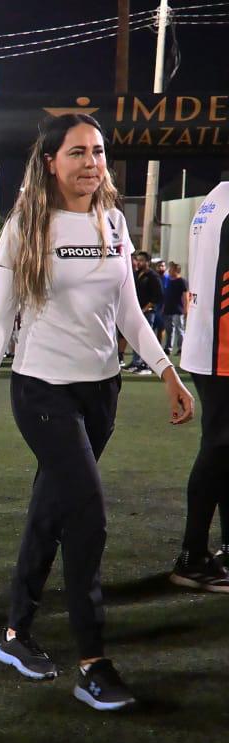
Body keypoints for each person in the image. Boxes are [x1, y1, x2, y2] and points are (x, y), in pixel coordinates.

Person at [0, 113, 193, 712]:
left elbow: (127, 311)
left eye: (97, 152)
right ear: (50, 162)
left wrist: (166, 371)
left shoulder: (112, 220)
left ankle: (15, 635)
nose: (91, 163)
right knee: (86, 512)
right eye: (77, 153)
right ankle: (93, 662)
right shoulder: (25, 227)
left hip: (102, 392)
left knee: (51, 510)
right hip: (42, 392)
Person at [169, 181, 229, 592]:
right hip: (221, 347)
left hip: (208, 343)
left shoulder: (215, 196)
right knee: (219, 447)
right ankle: (192, 555)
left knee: (223, 448)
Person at [126, 251, 163, 374]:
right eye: (138, 260)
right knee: (136, 338)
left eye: (141, 260)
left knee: (146, 339)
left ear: (147, 262)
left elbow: (157, 296)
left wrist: (145, 308)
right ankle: (136, 362)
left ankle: (147, 365)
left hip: (148, 312)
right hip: (137, 312)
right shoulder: (136, 274)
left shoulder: (153, 276)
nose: (138, 262)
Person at [162, 261, 187, 356]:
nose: (169, 270)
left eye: (171, 268)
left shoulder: (182, 281)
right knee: (169, 330)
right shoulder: (169, 281)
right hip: (168, 309)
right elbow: (166, 295)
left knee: (179, 329)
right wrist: (164, 307)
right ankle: (168, 347)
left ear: (176, 270)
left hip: (178, 309)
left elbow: (185, 296)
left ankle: (181, 348)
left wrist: (185, 309)